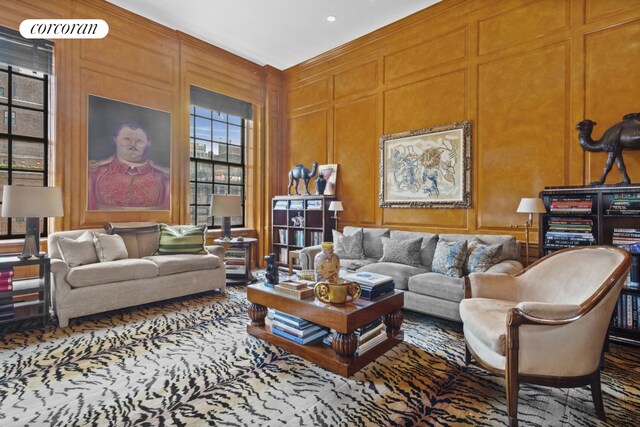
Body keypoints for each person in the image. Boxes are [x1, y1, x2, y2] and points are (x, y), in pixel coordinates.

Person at [88, 122, 170, 210]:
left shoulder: (164, 179)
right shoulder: (95, 174)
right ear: (115, 140)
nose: (132, 145)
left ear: (148, 143)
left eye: (139, 141)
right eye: (126, 139)